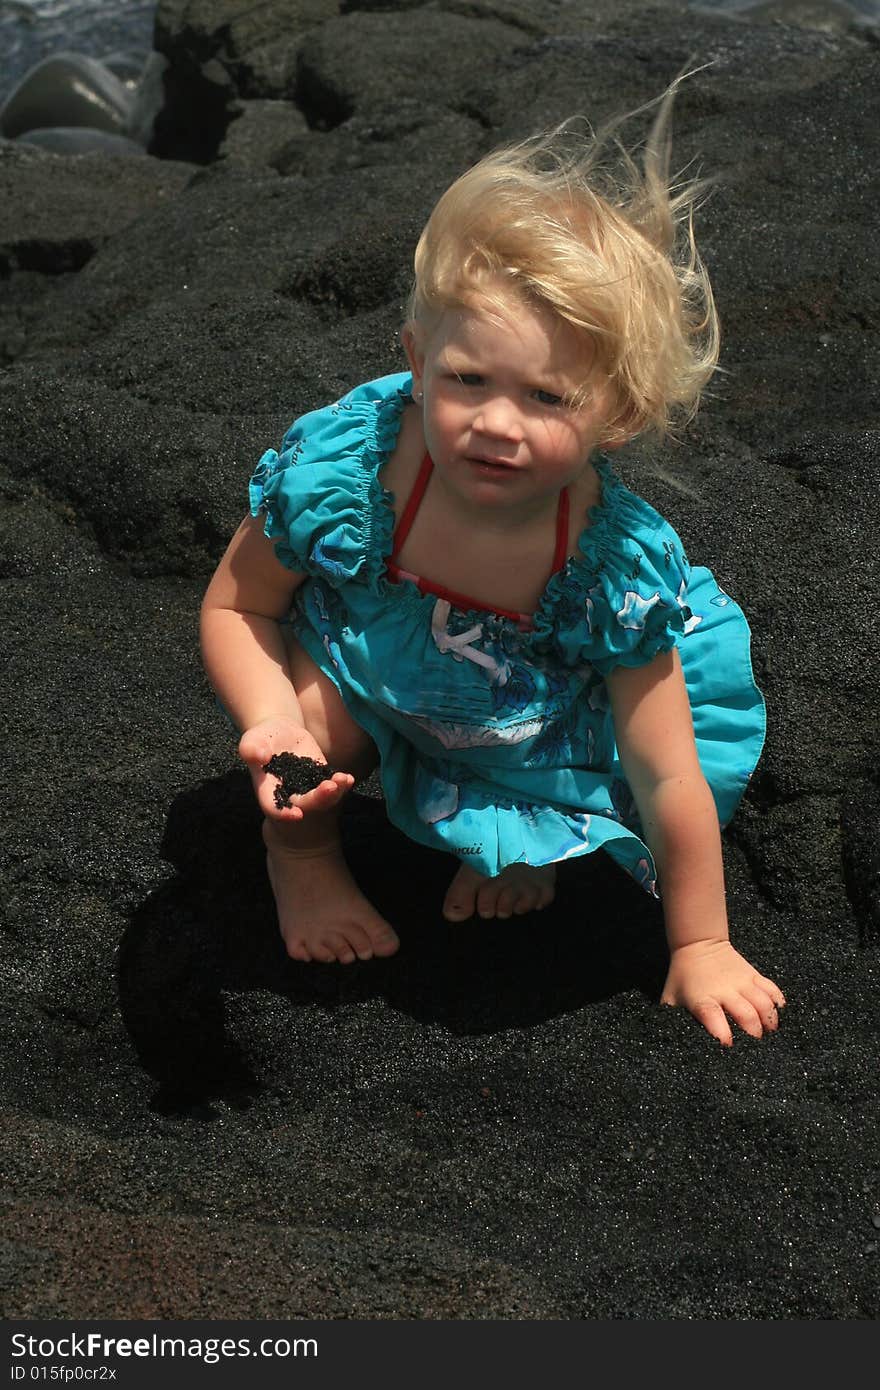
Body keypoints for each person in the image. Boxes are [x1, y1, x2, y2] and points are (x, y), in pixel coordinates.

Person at [200, 82, 786, 1047]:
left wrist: (700, 944)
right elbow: (239, 606)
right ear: (416, 355)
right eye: (466, 380)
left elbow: (667, 769)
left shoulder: (604, 567)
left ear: (620, 415)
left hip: (529, 710)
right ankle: (300, 860)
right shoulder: (355, 469)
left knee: (611, 780)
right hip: (377, 664)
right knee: (308, 735)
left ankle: (514, 837)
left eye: (549, 398)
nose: (495, 425)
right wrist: (267, 721)